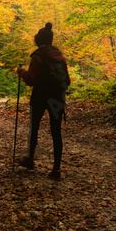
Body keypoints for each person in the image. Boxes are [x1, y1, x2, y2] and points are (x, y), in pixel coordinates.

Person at [17, 22, 71, 180]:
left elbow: (31, 80)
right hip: (57, 98)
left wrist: (21, 72)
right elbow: (67, 80)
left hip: (40, 96)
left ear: (39, 39)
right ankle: (56, 170)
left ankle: (30, 160)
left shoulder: (38, 56)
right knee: (56, 132)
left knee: (34, 128)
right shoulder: (60, 57)